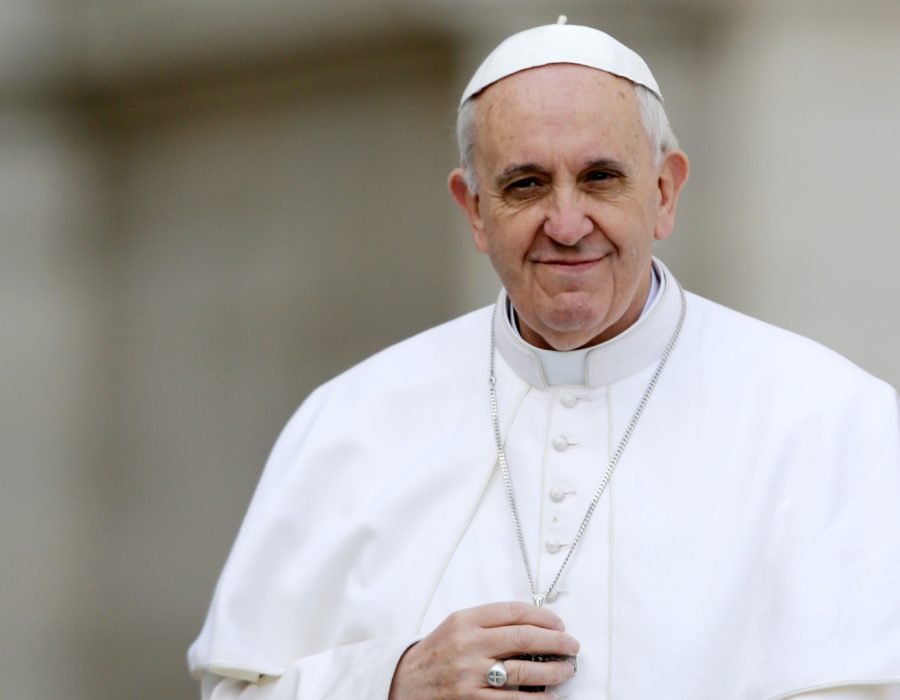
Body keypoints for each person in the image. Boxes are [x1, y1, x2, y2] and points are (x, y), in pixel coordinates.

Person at [188, 18, 900, 700]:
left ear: (664, 192)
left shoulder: (831, 421)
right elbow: (238, 689)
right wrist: (393, 683)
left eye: (600, 178)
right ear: (472, 209)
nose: (565, 224)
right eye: (525, 184)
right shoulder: (348, 421)